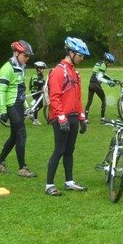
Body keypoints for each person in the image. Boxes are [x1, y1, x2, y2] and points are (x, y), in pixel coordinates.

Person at [45, 37, 90, 196]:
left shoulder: (75, 73)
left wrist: (82, 117)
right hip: (61, 118)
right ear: (70, 52)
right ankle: (49, 185)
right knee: (59, 150)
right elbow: (54, 97)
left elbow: (78, 98)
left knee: (70, 150)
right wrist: (61, 118)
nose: (82, 58)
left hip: (73, 117)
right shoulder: (58, 71)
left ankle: (69, 181)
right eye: (80, 55)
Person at [0, 40, 37, 178]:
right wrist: (4, 111)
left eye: (29, 56)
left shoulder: (21, 66)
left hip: (18, 105)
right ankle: (22, 168)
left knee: (14, 136)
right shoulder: (7, 68)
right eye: (25, 55)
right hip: (11, 105)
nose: (27, 58)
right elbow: (1, 91)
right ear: (16, 53)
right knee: (21, 134)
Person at [85, 52, 116, 121]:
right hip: (96, 84)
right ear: (107, 61)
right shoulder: (104, 65)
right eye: (110, 62)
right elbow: (99, 77)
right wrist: (108, 82)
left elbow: (99, 74)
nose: (110, 64)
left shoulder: (99, 63)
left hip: (91, 84)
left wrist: (111, 79)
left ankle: (85, 119)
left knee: (89, 101)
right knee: (104, 100)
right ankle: (103, 118)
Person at [29, 61, 47, 125]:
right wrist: (42, 83)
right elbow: (34, 82)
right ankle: (35, 120)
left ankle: (32, 113)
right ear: (39, 69)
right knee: (37, 105)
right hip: (35, 92)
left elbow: (44, 82)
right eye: (42, 68)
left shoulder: (41, 75)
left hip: (39, 92)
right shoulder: (35, 75)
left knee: (41, 105)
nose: (43, 70)